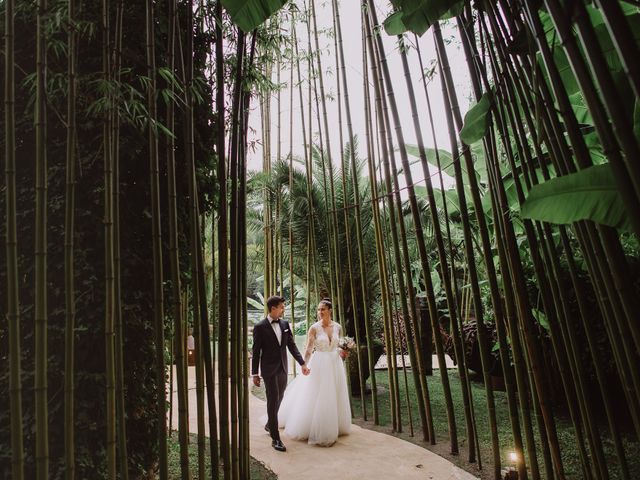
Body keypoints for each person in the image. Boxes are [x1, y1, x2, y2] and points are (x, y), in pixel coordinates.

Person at [277, 298, 351, 447]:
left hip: (335, 363)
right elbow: (309, 348)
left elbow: (338, 345)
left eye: (322, 309)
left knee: (335, 393)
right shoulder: (314, 328)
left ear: (330, 310)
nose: (320, 312)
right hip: (319, 363)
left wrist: (343, 352)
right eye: (318, 309)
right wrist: (304, 364)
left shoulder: (338, 327)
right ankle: (318, 428)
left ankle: (336, 425)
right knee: (318, 394)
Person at [252, 295, 310, 452]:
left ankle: (270, 423)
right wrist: (254, 374)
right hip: (268, 370)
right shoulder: (260, 327)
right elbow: (256, 352)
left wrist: (302, 363)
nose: (284, 309)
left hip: (283, 368)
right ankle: (275, 438)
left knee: (280, 397)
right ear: (273, 308)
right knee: (272, 399)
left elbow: (291, 345)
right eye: (282, 307)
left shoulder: (284, 324)